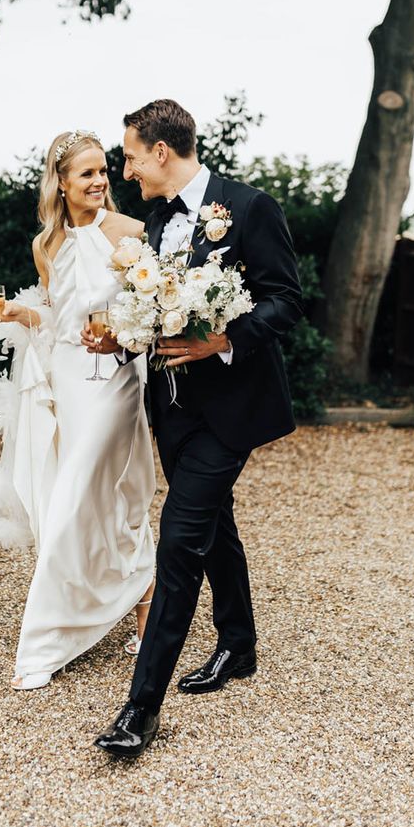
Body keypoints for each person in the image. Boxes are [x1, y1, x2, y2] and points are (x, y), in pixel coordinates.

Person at [85, 99, 303, 756]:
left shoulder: (249, 207)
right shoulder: (155, 221)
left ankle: (139, 711)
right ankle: (238, 642)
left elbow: (286, 300)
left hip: (230, 411)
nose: (125, 170)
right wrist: (122, 341)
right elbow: (156, 312)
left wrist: (224, 341)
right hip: (171, 409)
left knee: (179, 544)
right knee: (214, 528)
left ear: (160, 151)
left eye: (128, 155)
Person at [0, 130, 156, 691]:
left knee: (96, 492)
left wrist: (123, 338)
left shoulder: (131, 235)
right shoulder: (46, 245)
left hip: (117, 382)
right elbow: (56, 321)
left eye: (103, 170)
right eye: (86, 173)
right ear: (60, 182)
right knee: (89, 495)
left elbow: (148, 313)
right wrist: (17, 315)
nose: (100, 181)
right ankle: (138, 620)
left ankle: (46, 639)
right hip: (70, 382)